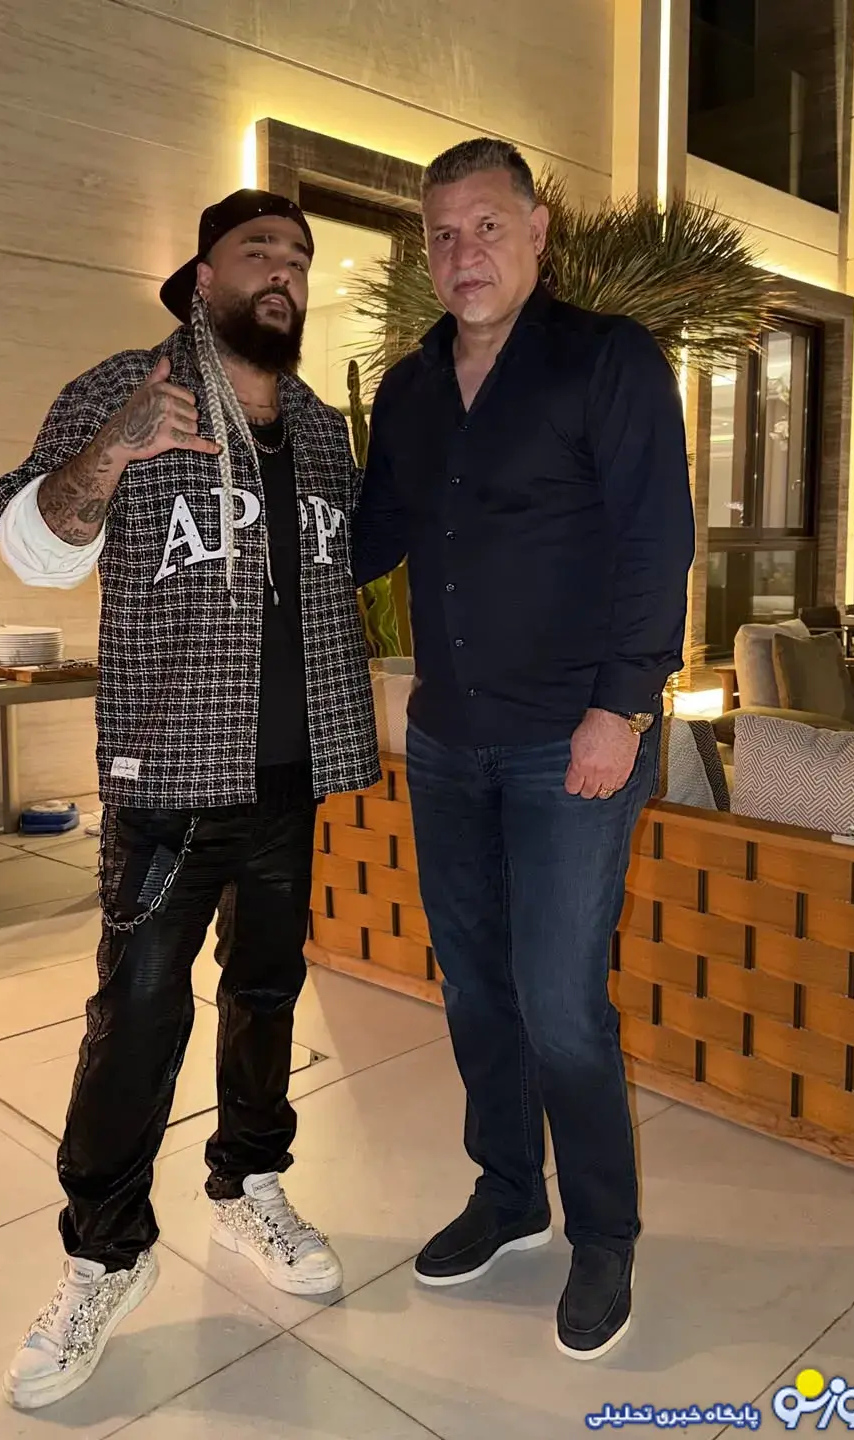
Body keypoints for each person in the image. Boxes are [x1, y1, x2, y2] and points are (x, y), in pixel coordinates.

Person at [0, 189, 379, 1410]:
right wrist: (113, 449)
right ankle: (105, 1254)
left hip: (289, 779)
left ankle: (249, 1179)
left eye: (300, 257)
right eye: (258, 250)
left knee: (267, 994)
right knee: (138, 1016)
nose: (284, 271)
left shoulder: (320, 429)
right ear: (202, 277)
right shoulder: (131, 387)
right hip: (167, 779)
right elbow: (30, 542)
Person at [353, 139, 694, 1360]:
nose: (464, 254)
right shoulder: (409, 389)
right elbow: (373, 535)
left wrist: (622, 709)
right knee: (478, 990)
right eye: (443, 234)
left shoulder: (607, 360)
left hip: (570, 744)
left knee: (559, 1004)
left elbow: (658, 540)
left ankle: (604, 1234)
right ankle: (509, 1196)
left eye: (487, 226)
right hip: (448, 741)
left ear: (538, 231)